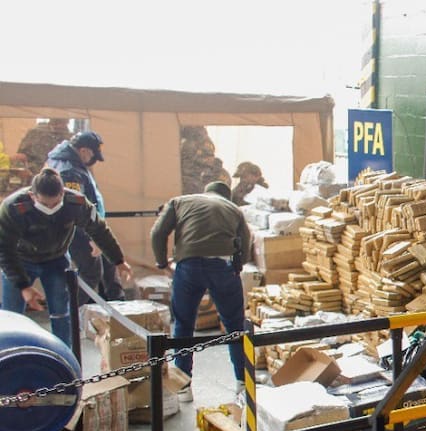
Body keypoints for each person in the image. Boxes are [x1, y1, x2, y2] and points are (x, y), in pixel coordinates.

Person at [0, 168, 133, 346]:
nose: (51, 209)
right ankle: (9, 356)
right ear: (33, 196)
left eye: (55, 203)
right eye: (45, 205)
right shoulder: (14, 208)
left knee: (61, 313)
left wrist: (118, 260)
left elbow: (99, 230)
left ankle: (65, 358)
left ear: (62, 193)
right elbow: (4, 250)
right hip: (20, 260)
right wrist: (23, 286)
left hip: (56, 260)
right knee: (12, 315)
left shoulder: (76, 203)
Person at [150, 180, 251, 399]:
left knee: (184, 325)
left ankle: (183, 386)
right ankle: (243, 382)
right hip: (222, 266)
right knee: (234, 325)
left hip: (189, 265)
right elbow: (247, 242)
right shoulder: (233, 209)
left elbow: (157, 233)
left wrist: (162, 264)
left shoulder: (179, 202)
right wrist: (238, 266)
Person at [45, 130, 125, 301]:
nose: (93, 161)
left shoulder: (70, 164)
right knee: (91, 272)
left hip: (91, 226)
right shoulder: (70, 171)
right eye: (93, 156)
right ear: (83, 151)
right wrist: (91, 237)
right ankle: (74, 314)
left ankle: (119, 308)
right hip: (81, 230)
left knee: (108, 265)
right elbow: (75, 208)